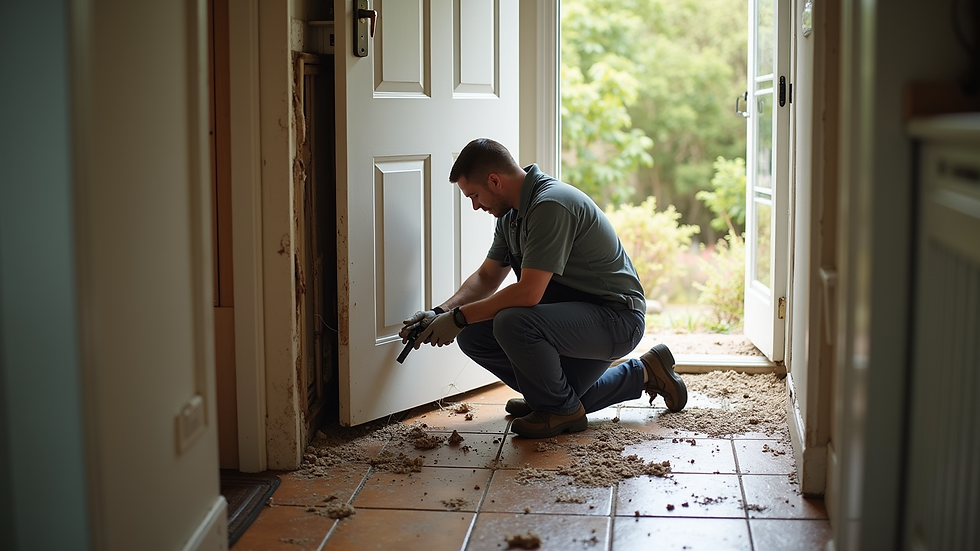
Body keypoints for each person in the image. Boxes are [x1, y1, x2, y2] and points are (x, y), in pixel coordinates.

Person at [399, 138, 687, 439]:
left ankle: (556, 409)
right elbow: (486, 277)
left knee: (512, 322)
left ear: (494, 181)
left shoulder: (550, 204)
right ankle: (639, 374)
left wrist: (459, 317)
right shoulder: (511, 215)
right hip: (572, 320)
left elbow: (529, 294)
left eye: (474, 195)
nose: (475, 206)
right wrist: (440, 312)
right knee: (475, 334)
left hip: (616, 320)